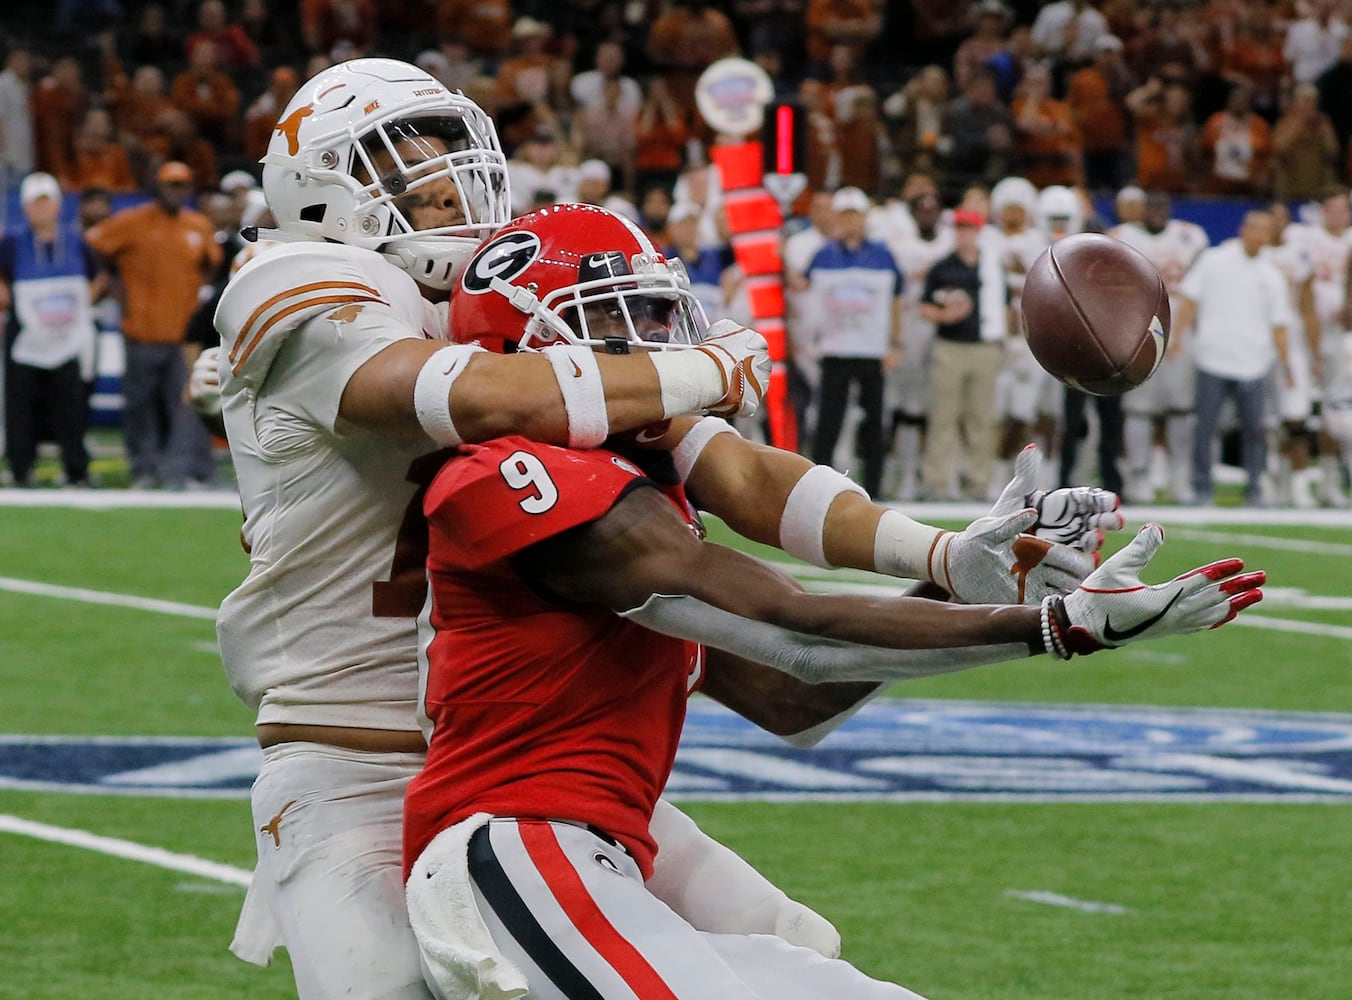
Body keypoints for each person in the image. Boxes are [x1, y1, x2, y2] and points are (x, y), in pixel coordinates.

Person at [210, 59, 1118, 1000]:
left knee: (792, 942)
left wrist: (939, 554)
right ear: (315, 190)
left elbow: (741, 474)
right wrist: (698, 368)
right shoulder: (306, 276)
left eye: (452, 152)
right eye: (405, 161)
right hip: (354, 755)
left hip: (521, 759)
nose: (444, 179)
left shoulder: (509, 309)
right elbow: (472, 400)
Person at [402, 204, 1266, 1000]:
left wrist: (961, 577)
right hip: (514, 851)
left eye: (657, 315)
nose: (656, 346)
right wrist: (1057, 627)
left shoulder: (637, 484)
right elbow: (795, 631)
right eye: (615, 321)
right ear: (531, 350)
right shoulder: (509, 474)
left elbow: (794, 698)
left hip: (604, 858)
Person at [85, 160, 221, 488]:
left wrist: (196, 296)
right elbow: (92, 243)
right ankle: (143, 470)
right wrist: (110, 280)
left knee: (188, 406)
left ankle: (180, 471)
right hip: (141, 332)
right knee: (140, 406)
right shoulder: (133, 222)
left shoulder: (198, 225)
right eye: (170, 185)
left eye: (182, 185)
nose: (176, 191)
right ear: (157, 188)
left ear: (189, 189)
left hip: (182, 335)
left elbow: (213, 263)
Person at [1174, 210, 1294, 506]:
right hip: (1212, 358)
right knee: (1206, 426)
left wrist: (1286, 363)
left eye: (1264, 230)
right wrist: (1176, 337)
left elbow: (1279, 324)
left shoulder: (1272, 275)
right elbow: (1189, 300)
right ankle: (1201, 487)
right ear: (1243, 229)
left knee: (1255, 430)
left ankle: (1254, 487)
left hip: (1254, 362)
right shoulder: (1214, 260)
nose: (1258, 235)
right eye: (1254, 228)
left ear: (1269, 235)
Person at [0, 172, 101, 487]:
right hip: (26, 332)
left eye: (47, 203)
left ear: (58, 205)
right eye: (35, 204)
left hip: (67, 332)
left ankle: (76, 470)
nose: (41, 210)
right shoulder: (13, 242)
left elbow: (99, 276)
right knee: (20, 404)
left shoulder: (75, 241)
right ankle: (21, 470)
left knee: (70, 404)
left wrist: (84, 304)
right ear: (26, 208)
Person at [1109, 191, 1208, 504]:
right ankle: (1139, 475)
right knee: (1139, 410)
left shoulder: (1190, 236)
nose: (1157, 211)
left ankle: (1180, 475)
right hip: (1138, 336)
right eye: (1151, 205)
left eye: (1162, 204)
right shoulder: (1122, 237)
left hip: (1180, 334)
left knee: (1182, 410)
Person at [804, 186, 903, 498]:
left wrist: (895, 343)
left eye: (855, 215)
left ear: (864, 218)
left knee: (874, 421)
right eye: (844, 215)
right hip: (834, 348)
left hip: (872, 349)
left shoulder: (883, 255)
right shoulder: (823, 255)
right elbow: (806, 296)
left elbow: (896, 301)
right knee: (828, 419)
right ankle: (817, 485)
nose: (850, 222)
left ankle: (874, 487)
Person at [920, 207, 1007, 501]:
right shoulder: (943, 267)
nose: (963, 234)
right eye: (959, 229)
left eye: (968, 228)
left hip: (983, 347)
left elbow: (1003, 306)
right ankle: (938, 481)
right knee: (944, 416)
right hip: (950, 347)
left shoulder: (991, 267)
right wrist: (944, 317)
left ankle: (979, 481)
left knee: (980, 418)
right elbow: (924, 305)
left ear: (978, 231)